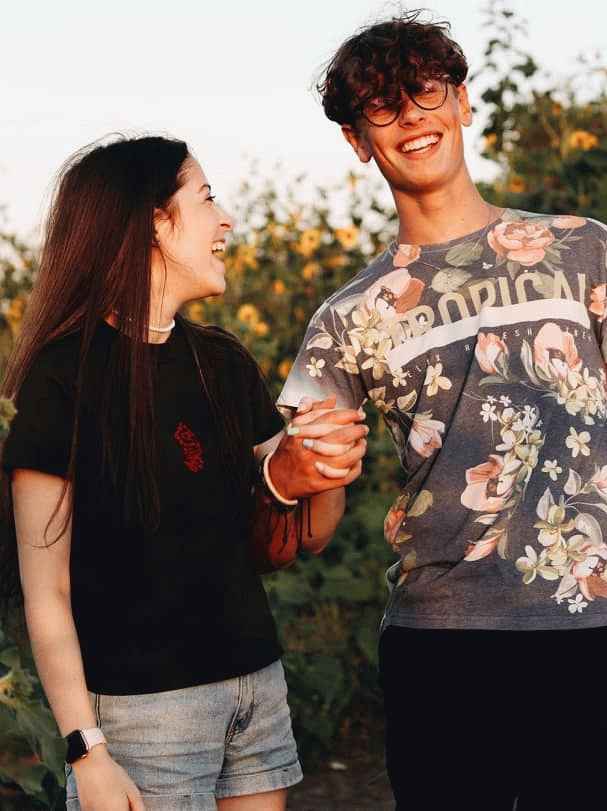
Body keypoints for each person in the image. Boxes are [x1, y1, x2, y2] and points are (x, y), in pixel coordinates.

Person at [277, 11, 607, 810]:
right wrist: (291, 474)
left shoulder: (582, 247)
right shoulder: (345, 317)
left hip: (588, 624)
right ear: (357, 140)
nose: (411, 115)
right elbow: (311, 527)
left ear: (462, 100)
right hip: (440, 640)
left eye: (425, 89)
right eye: (382, 105)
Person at [0, 134, 368, 811]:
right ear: (153, 224)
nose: (226, 220)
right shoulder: (62, 379)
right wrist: (87, 750)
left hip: (255, 689)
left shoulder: (222, 361)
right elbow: (46, 591)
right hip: (144, 717)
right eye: (206, 199)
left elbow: (306, 533)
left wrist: (326, 461)